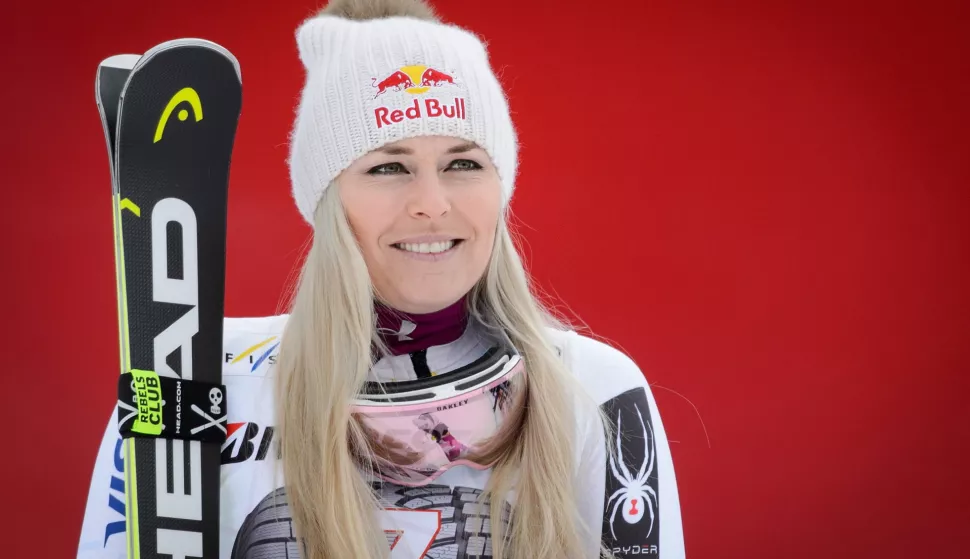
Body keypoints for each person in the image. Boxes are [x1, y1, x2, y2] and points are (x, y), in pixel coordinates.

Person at [77, 0, 686, 557]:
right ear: (327, 198)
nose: (431, 202)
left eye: (464, 163)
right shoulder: (193, 370)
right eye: (389, 166)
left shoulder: (595, 391)